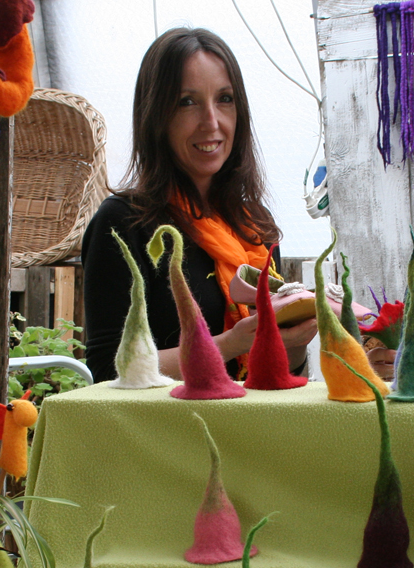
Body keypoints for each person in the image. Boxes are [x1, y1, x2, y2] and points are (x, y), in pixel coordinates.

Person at [81, 28, 318, 383]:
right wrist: (231, 343)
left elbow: (279, 372)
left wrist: (296, 338)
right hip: (166, 420)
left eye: (225, 99)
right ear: (156, 115)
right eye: (187, 102)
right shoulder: (123, 223)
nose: (212, 122)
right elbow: (110, 370)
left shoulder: (255, 227)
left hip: (248, 417)